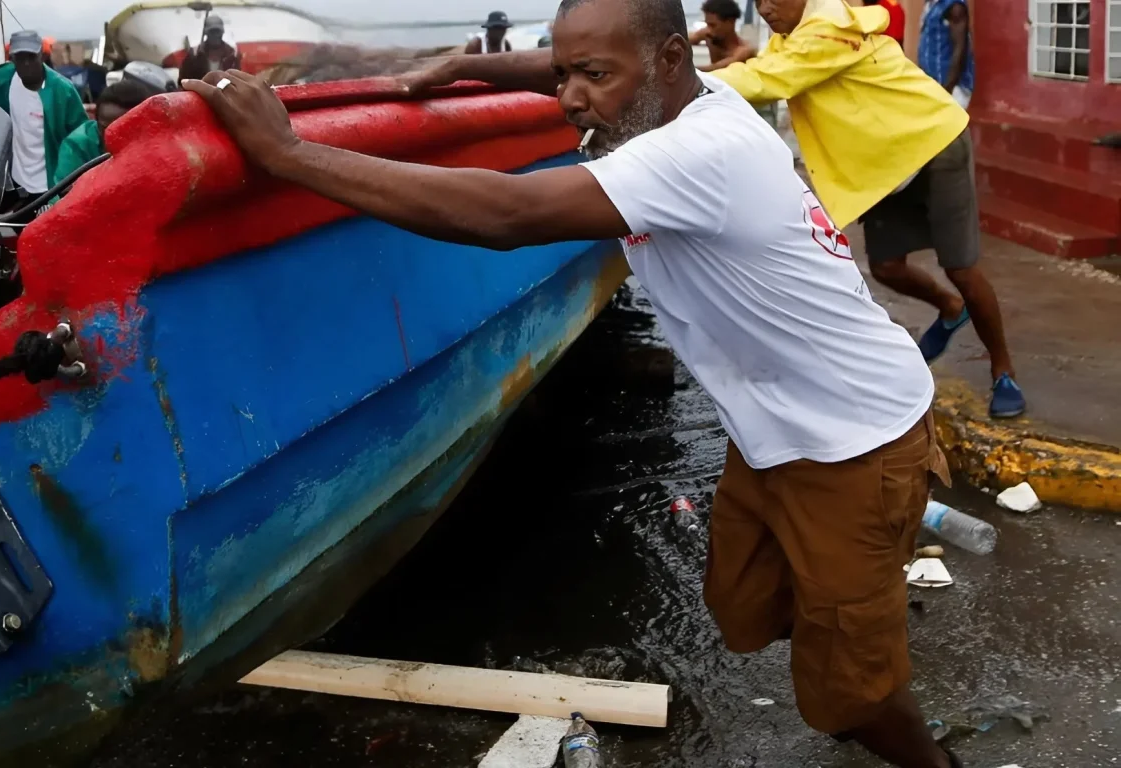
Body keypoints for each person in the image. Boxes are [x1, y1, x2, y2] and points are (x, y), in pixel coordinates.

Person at [181, 0, 962, 762]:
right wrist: (466, 66)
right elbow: (575, 61)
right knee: (742, 608)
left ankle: (897, 716)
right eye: (564, 75)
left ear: (668, 61)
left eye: (591, 76)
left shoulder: (695, 154)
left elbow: (506, 214)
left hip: (856, 442)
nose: (570, 98)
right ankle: (850, 626)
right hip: (773, 433)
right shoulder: (696, 97)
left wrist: (289, 155)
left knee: (849, 698)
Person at [712, 0, 1024, 419]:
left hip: (935, 140)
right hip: (886, 158)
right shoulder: (793, 38)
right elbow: (755, 68)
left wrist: (673, 81)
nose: (765, 8)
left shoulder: (828, 28)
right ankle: (951, 310)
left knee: (961, 268)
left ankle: (1003, 370)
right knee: (887, 266)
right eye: (758, 0)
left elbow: (763, 80)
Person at [0, 30, 89, 202]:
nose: (26, 64)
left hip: (51, 183)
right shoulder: (5, 77)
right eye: (19, 58)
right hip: (16, 180)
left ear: (42, 56)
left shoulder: (63, 91)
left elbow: (81, 137)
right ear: (12, 59)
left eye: (31, 57)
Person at [52, 79, 156, 187]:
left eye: (124, 128)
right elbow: (64, 195)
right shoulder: (77, 146)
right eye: (106, 128)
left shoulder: (157, 140)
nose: (113, 134)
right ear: (96, 122)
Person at [918, 0, 973, 109]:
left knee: (950, 124)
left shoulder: (954, 6)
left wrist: (947, 91)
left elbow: (960, 49)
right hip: (934, 86)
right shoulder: (931, 4)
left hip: (950, 88)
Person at [688, 0, 756, 71]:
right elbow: (683, 41)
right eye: (707, 24)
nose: (708, 30)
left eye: (713, 25)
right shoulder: (708, 34)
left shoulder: (744, 50)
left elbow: (715, 69)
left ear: (730, 22)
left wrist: (687, 71)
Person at [180, 15, 241, 82]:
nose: (215, 35)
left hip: (224, 91)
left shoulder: (232, 55)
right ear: (206, 33)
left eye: (217, 31)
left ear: (222, 32)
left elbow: (237, 80)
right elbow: (184, 80)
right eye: (212, 32)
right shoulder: (194, 54)